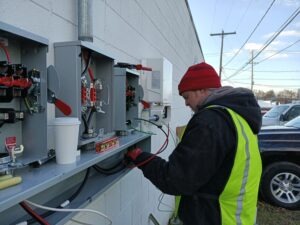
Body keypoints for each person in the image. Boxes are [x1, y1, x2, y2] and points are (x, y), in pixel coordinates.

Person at [126, 62, 262, 225]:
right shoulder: (236, 117)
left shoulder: (210, 121)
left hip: (215, 217)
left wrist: (140, 157)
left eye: (186, 97)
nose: (185, 104)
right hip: (235, 216)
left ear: (202, 90)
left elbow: (175, 179)